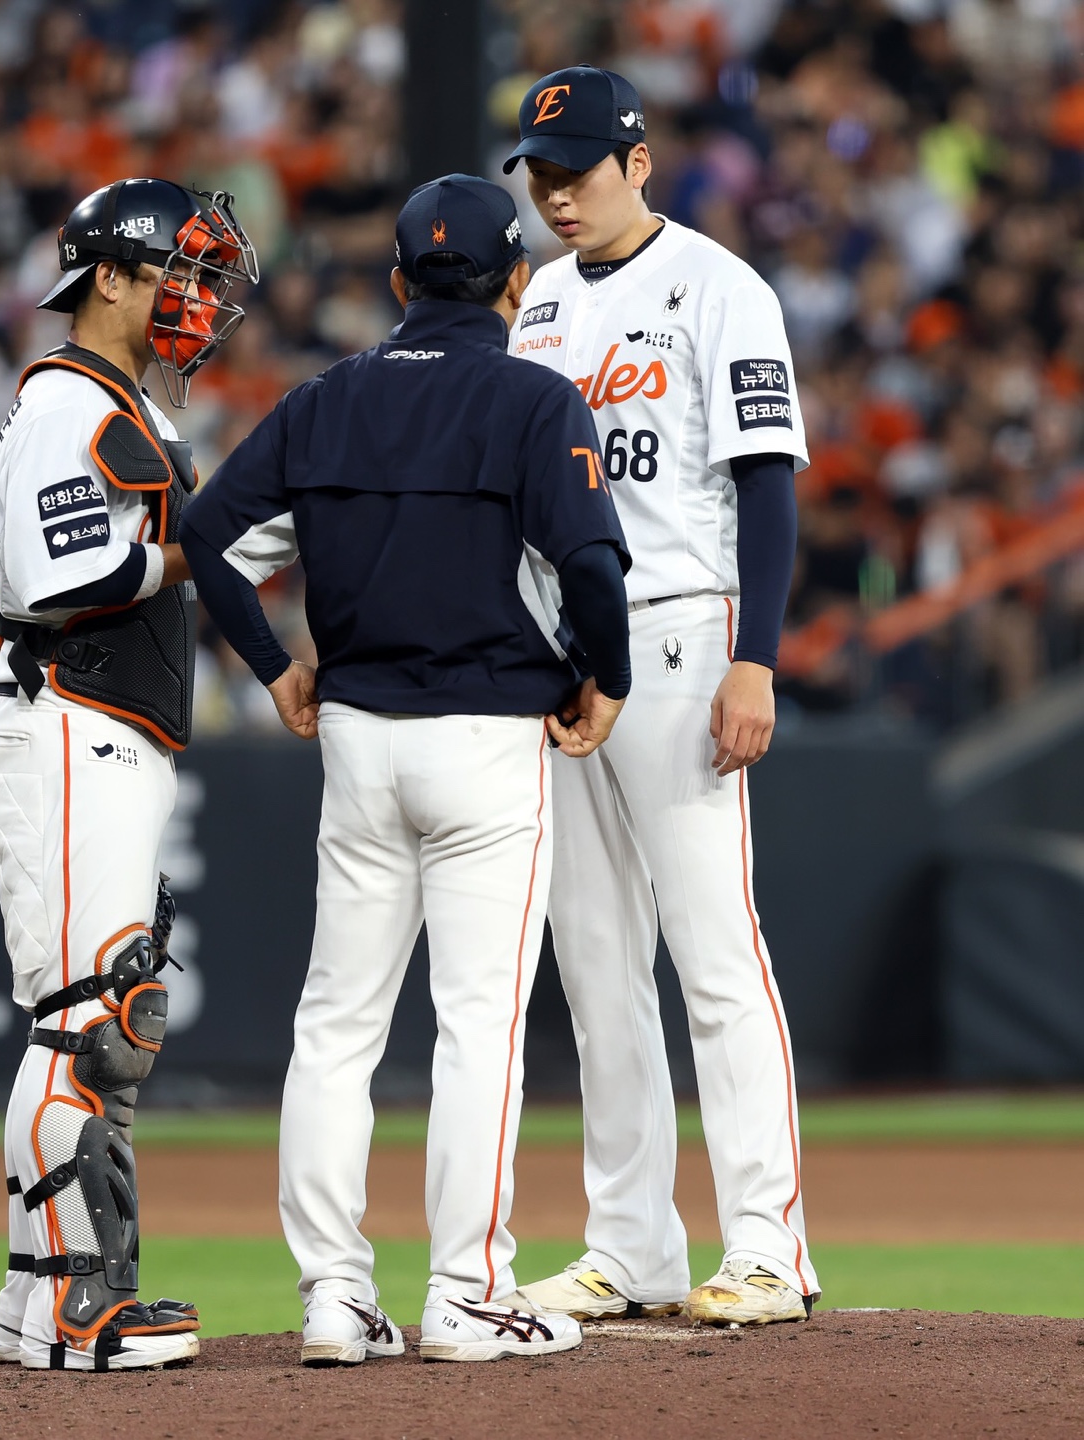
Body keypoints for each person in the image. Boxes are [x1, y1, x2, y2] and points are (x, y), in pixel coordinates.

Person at [180, 174, 633, 1366]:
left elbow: (205, 534)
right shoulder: (535, 398)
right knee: (478, 1025)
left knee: (337, 1023)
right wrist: (608, 677)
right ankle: (467, 1293)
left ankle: (334, 1295)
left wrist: (274, 666)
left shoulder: (326, 397)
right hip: (486, 738)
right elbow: (592, 567)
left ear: (396, 282)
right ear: (516, 282)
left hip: (359, 740)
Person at [498, 67, 819, 1326]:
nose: (555, 193)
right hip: (566, 652)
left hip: (683, 631)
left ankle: (768, 1245)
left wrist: (759, 656)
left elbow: (767, 482)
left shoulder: (720, 286)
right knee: (594, 961)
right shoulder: (536, 307)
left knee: (715, 950)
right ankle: (631, 1243)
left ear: (638, 162)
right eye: (541, 173)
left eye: (576, 168)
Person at [0, 177, 258, 1371]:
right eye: (180, 274)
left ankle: (38, 1297)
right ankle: (78, 1309)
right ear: (115, 278)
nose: (199, 299)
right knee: (94, 1022)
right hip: (66, 716)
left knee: (102, 1020)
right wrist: (199, 548)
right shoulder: (68, 402)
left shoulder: (107, 397)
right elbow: (57, 579)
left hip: (92, 726)